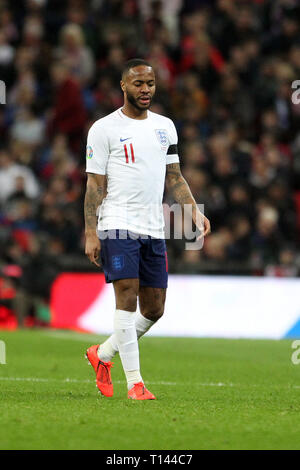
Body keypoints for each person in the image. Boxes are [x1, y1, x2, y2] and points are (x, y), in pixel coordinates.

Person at [84, 58, 211, 400]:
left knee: (154, 310)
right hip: (117, 224)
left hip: (153, 227)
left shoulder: (165, 127)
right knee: (126, 297)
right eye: (138, 84)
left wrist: (193, 211)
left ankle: (103, 354)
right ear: (123, 85)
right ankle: (135, 384)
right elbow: (95, 184)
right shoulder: (104, 128)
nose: (145, 90)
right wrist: (92, 231)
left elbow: (174, 175)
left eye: (150, 84)